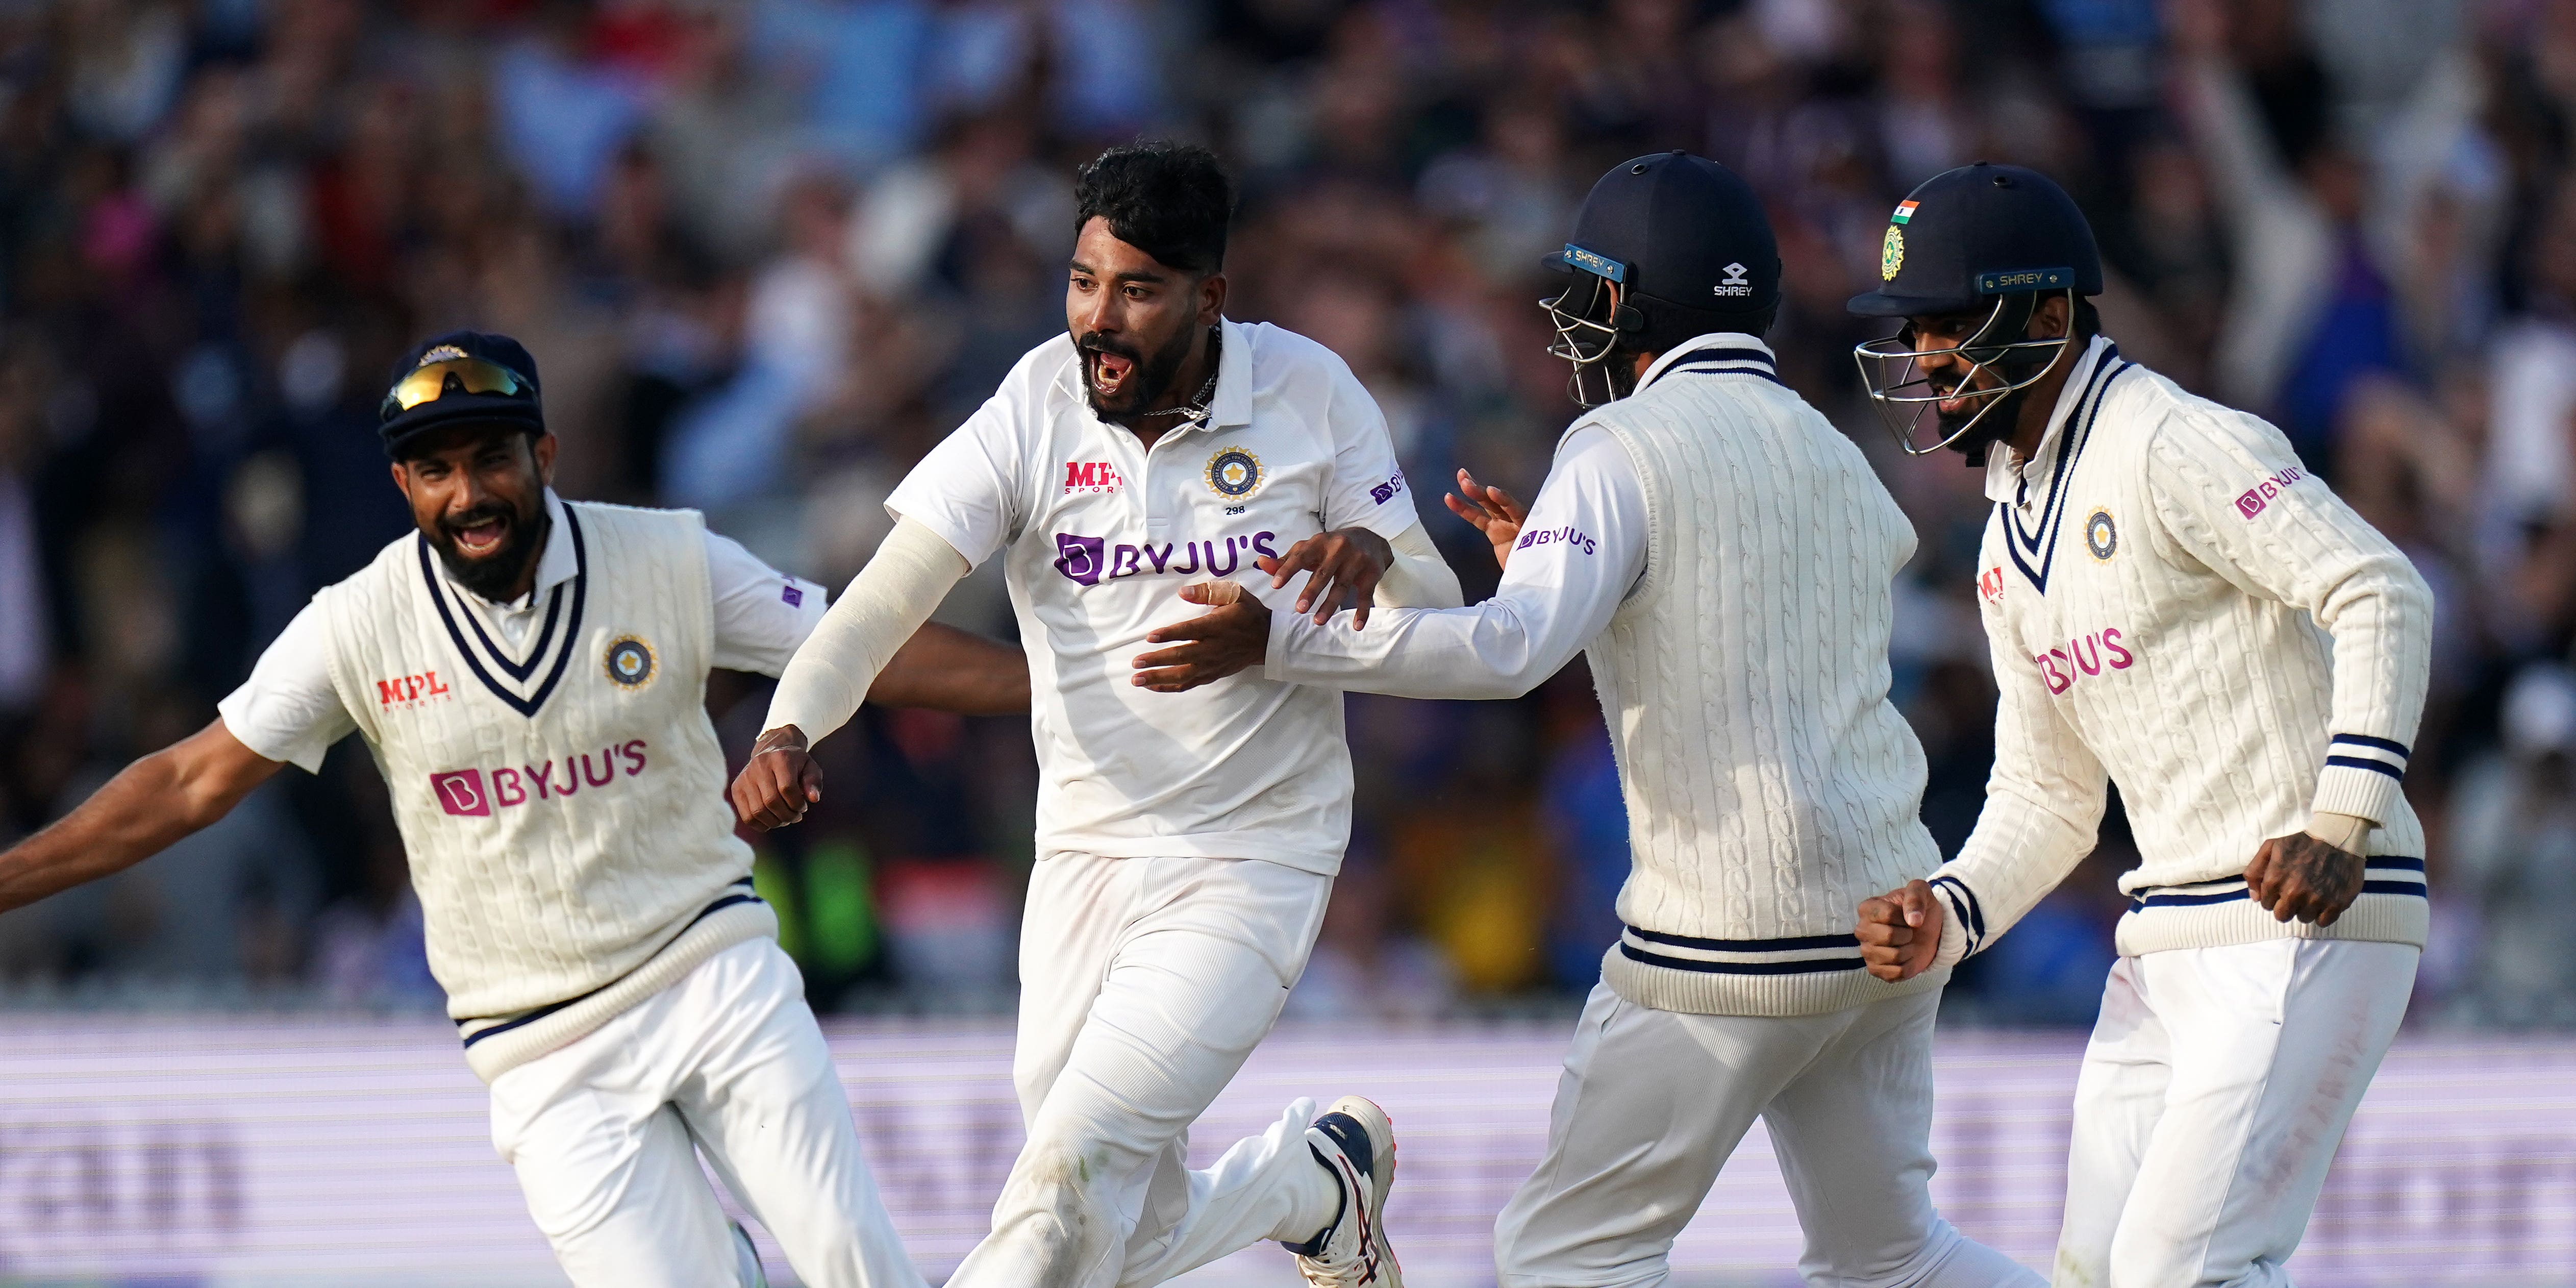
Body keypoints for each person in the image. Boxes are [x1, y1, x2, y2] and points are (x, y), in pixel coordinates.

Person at [1130, 151, 2042, 1288]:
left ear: (1629, 302)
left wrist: (1283, 642)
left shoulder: (1619, 445)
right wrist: (1550, 573)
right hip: (1883, 920)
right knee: (1894, 1255)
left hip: (1725, 941)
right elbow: (1729, 621)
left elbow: (1510, 653)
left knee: (1567, 1253)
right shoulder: (1833, 449)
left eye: (1590, 296)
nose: (1577, 327)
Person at [0, 331, 1029, 1288]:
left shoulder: (668, 558)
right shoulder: (358, 625)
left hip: (711, 973)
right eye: (435, 470)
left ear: (544, 451)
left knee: (856, 1261)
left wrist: (1063, 681)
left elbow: (861, 643)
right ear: (403, 483)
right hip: (539, 1049)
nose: (469, 493)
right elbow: (190, 779)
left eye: (491, 458)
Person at [730, 141, 1463, 1288]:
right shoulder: (1034, 401)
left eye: (1136, 289)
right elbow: (879, 601)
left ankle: (1308, 1192)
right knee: (1103, 1225)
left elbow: (1441, 607)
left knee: (1064, 1183)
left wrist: (1356, 569)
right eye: (1082, 281)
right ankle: (1312, 1190)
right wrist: (787, 729)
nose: (1098, 319)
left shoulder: (1310, 391)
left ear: (1208, 296)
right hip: (1077, 856)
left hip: (1250, 855)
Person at [1844, 163, 2434, 1287]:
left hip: (2301, 911)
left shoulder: (2170, 440)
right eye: (1916, 329)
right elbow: (2046, 793)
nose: (1925, 357)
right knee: (2094, 1270)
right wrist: (1954, 915)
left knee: (2180, 1268)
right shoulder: (2005, 529)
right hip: (2165, 935)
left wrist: (2341, 817)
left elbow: (2377, 589)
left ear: (2052, 314)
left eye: (1952, 323)